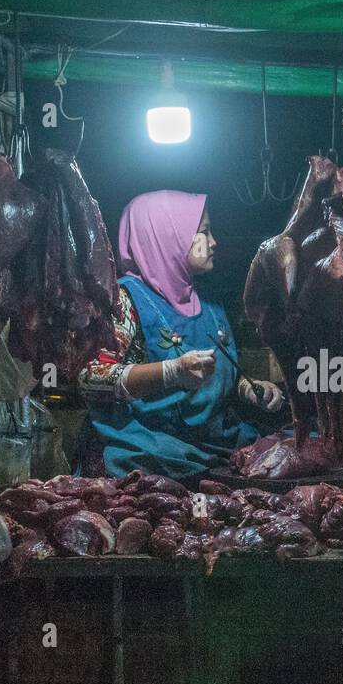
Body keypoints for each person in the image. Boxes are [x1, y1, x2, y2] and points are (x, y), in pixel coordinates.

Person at [77, 191, 283, 479]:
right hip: (149, 451)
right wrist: (172, 371)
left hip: (211, 445)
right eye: (204, 232)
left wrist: (248, 389)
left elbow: (218, 374)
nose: (214, 242)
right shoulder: (125, 299)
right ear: (167, 236)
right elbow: (90, 379)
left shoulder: (208, 300)